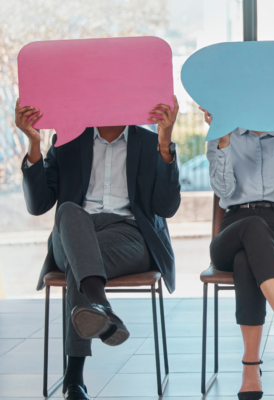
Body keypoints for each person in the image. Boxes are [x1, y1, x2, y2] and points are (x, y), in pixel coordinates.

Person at [16, 96, 181, 400]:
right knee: (68, 212)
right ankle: (100, 306)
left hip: (129, 237)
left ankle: (74, 377)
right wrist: (34, 144)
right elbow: (39, 204)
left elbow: (166, 207)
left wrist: (165, 145)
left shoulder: (150, 141)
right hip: (74, 231)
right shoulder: (67, 142)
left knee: (82, 263)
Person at [202, 106, 274, 400]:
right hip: (232, 229)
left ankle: (250, 368)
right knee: (251, 227)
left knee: (247, 260)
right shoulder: (222, 134)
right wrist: (224, 142)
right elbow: (222, 189)